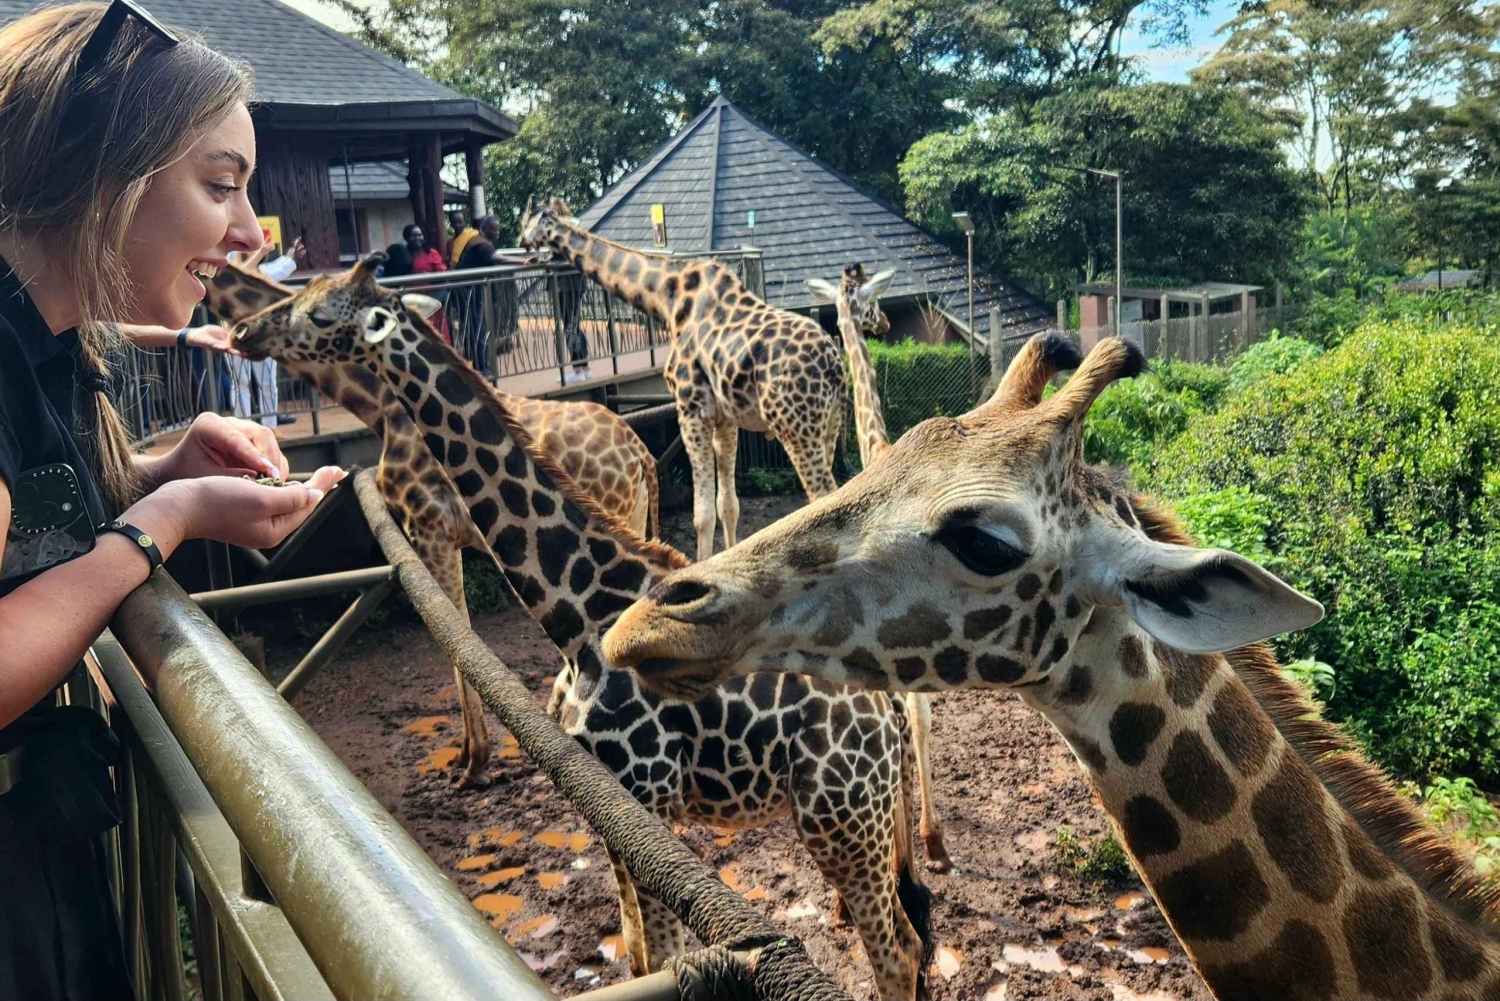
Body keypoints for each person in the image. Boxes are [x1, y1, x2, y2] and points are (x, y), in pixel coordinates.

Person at [0, 7, 343, 999]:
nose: (250, 233)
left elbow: (28, 524)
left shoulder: (45, 341)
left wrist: (155, 472)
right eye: (220, 185)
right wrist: (166, 520)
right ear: (104, 176)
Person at [454, 216, 530, 375]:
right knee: (477, 330)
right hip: (466, 291)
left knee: (475, 329)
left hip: (469, 290)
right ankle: (482, 368)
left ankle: (479, 365)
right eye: (494, 229)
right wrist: (523, 262)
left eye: (498, 229)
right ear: (484, 229)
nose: (498, 232)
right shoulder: (481, 244)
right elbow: (498, 258)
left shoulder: (478, 241)